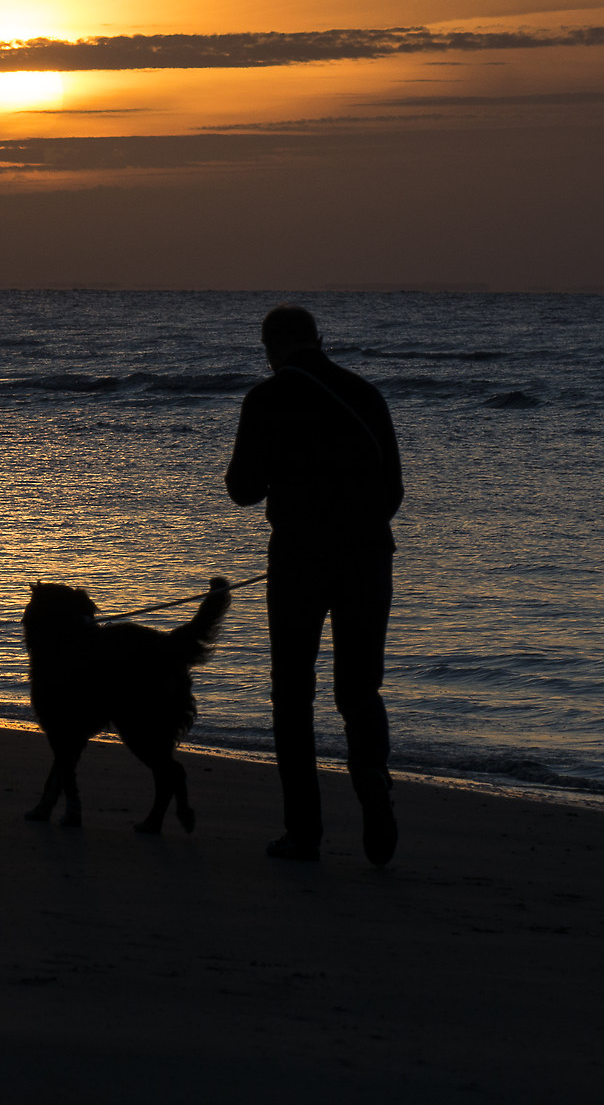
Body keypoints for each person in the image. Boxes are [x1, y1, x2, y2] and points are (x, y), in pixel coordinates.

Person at [224, 304, 403, 866]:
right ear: (319, 339)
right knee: (358, 689)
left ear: (269, 348)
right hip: (368, 557)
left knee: (292, 696)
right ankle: (371, 772)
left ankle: (304, 833)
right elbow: (393, 489)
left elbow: (242, 490)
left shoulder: (266, 399)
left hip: (298, 560)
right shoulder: (365, 394)